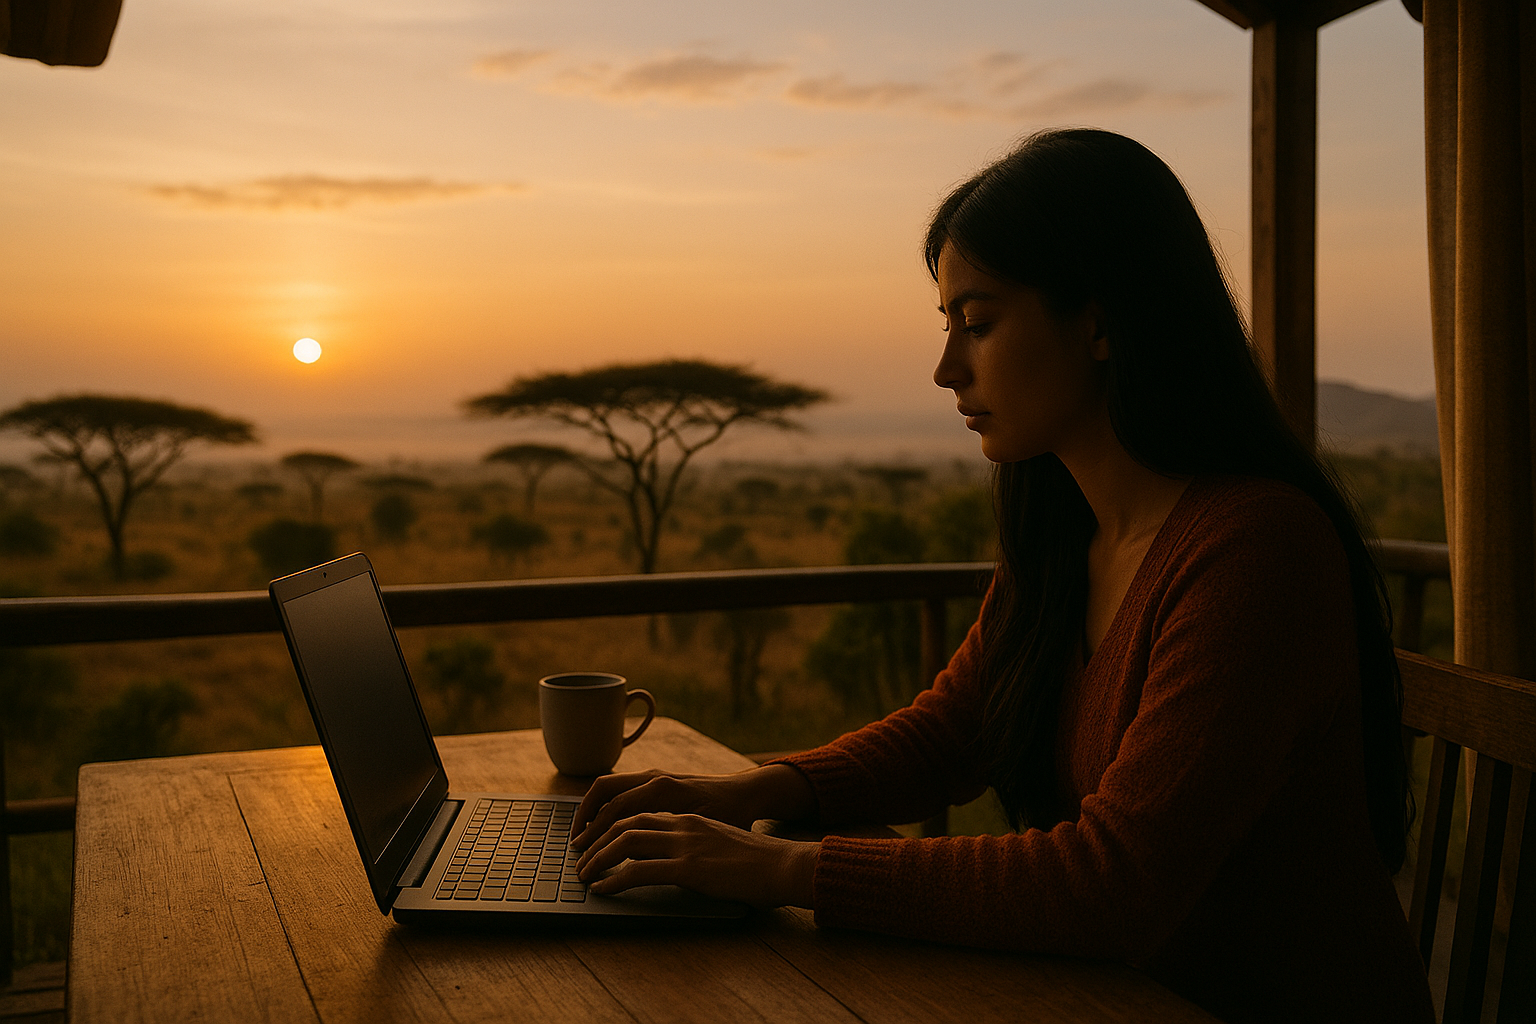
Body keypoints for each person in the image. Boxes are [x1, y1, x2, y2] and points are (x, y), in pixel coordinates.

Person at [568, 128, 1435, 1023]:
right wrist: (749, 791)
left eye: (978, 324)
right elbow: (954, 730)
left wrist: (780, 867)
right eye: (948, 326)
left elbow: (1113, 882)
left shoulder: (1254, 551)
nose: (947, 369)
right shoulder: (1067, 532)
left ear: (1099, 321)